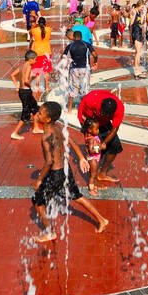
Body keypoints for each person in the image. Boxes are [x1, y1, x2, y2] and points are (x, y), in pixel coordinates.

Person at [31, 101, 109, 244]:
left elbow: (49, 161)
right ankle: (102, 219)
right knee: (76, 196)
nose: (37, 114)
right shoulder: (57, 127)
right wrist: (80, 158)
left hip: (56, 173)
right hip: (65, 169)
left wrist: (39, 179)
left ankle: (50, 233)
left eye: (40, 113)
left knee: (37, 201)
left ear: (48, 119)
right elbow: (71, 140)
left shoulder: (46, 136)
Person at [77, 90, 125, 191]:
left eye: (108, 115)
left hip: (101, 123)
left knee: (115, 146)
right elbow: (88, 124)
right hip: (88, 119)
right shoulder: (91, 101)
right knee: (94, 153)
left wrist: (104, 143)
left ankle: (102, 174)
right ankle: (92, 180)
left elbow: (115, 128)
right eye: (103, 113)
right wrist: (94, 145)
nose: (105, 115)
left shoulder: (119, 108)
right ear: (101, 107)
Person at [9, 52, 42, 141]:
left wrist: (16, 84)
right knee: (26, 114)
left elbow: (12, 75)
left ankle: (36, 128)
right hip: (25, 92)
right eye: (35, 59)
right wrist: (33, 84)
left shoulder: (22, 66)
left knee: (34, 107)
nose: (36, 61)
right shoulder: (28, 67)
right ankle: (15, 133)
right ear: (31, 59)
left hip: (23, 91)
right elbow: (26, 81)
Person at [63, 28, 95, 107]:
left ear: (74, 37)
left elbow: (63, 57)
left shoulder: (70, 46)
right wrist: (95, 62)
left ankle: (69, 109)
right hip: (84, 68)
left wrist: (66, 65)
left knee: (72, 88)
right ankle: (84, 107)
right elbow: (95, 55)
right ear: (81, 37)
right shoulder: (86, 44)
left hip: (74, 69)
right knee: (84, 88)